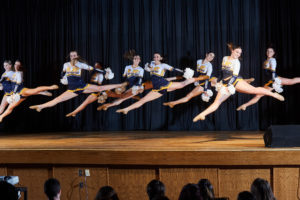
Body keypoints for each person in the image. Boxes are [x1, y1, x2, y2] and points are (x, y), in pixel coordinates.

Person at [193, 43, 284, 122]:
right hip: (225, 83)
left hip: (235, 82)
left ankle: (274, 95)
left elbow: (234, 76)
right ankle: (203, 114)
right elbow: (222, 72)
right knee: (217, 102)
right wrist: (219, 81)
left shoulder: (237, 62)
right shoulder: (225, 58)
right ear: (232, 50)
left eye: (240, 53)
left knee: (255, 90)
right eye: (237, 52)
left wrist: (229, 86)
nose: (238, 54)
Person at [29, 51, 127, 112]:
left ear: (77, 56)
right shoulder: (66, 65)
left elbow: (93, 69)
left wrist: (105, 71)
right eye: (71, 55)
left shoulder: (80, 64)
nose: (73, 57)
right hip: (72, 89)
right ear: (70, 57)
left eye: (75, 55)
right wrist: (63, 78)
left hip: (81, 86)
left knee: (99, 88)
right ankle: (41, 106)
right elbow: (62, 73)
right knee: (58, 100)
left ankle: (120, 84)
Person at [116, 52, 207, 114]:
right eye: (154, 56)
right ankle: (126, 109)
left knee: (182, 84)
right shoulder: (151, 63)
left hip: (162, 83)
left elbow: (174, 69)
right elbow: (145, 67)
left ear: (161, 58)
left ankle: (200, 78)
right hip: (157, 88)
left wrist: (183, 71)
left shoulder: (163, 65)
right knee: (143, 100)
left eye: (157, 57)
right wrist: (147, 66)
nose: (155, 58)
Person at [237, 47, 300, 111]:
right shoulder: (266, 61)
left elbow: (273, 71)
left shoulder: (272, 60)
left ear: (274, 53)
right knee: (259, 95)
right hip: (270, 80)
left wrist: (274, 80)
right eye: (268, 51)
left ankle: (245, 105)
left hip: (273, 80)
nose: (269, 52)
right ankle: (245, 105)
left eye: (271, 51)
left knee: (259, 95)